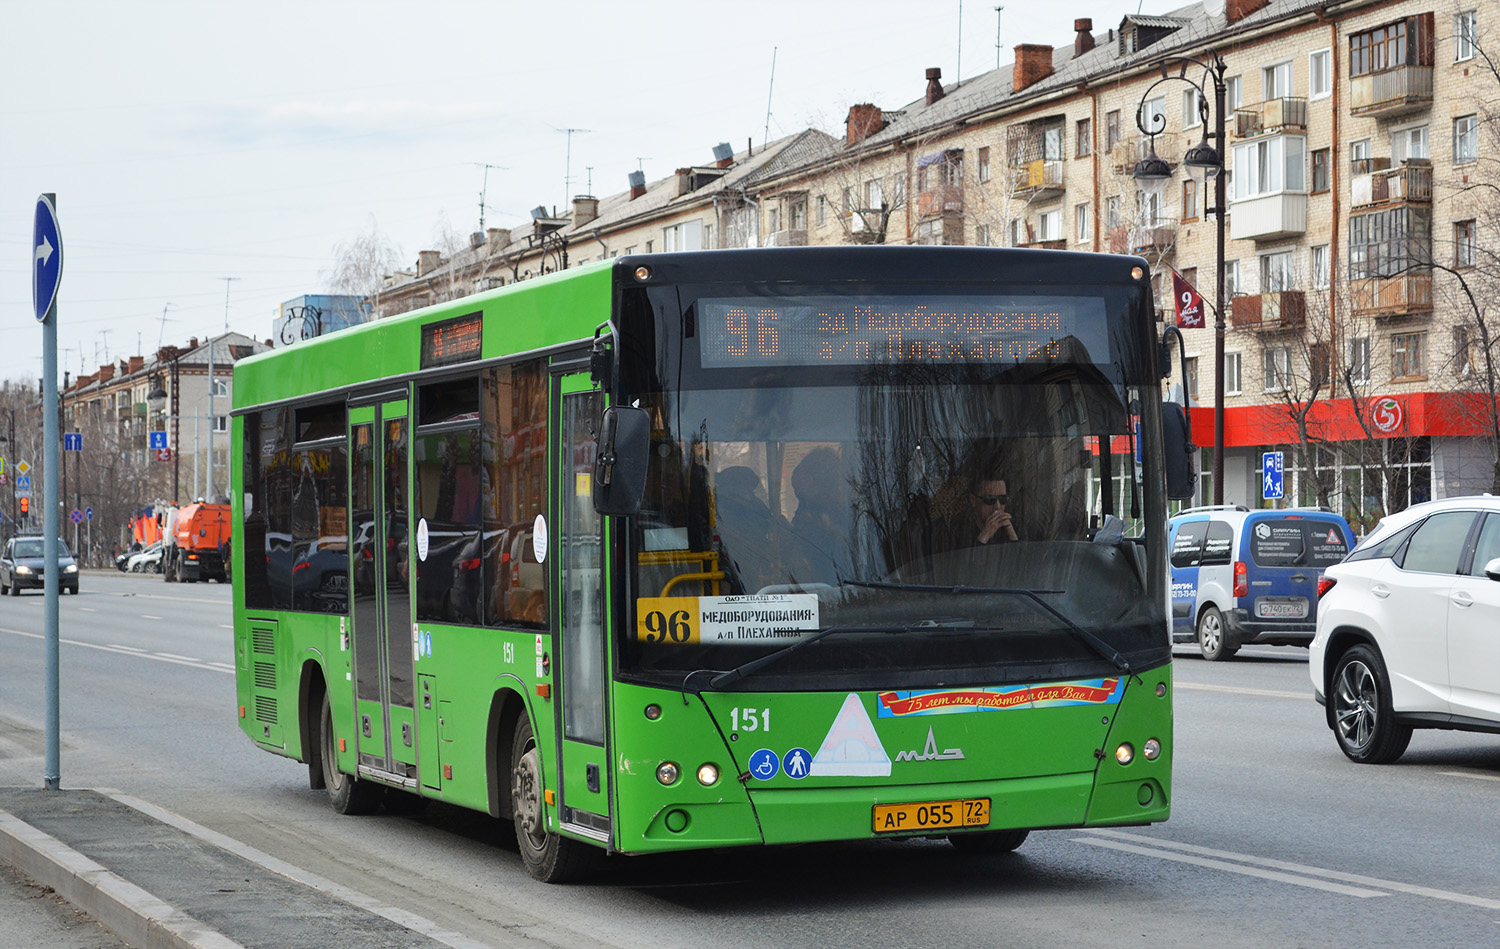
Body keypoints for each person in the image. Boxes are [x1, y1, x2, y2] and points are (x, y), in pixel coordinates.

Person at [787, 448, 852, 586]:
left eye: (800, 487)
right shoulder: (808, 506)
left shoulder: (849, 512)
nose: (798, 494)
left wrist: (828, 528)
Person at [940, 474, 1018, 550]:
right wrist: (984, 536)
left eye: (1002, 499)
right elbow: (962, 562)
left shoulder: (1015, 526)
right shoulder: (956, 532)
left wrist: (1013, 538)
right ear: (973, 500)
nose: (997, 506)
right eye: (989, 499)